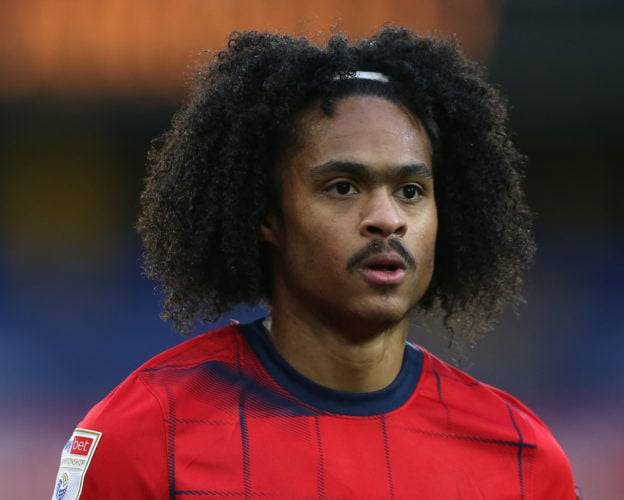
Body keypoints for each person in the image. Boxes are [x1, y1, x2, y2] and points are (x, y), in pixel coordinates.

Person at [52, 27, 578, 499]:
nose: (386, 219)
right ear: (267, 215)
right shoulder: (146, 433)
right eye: (343, 187)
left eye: (411, 191)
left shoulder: (522, 457)